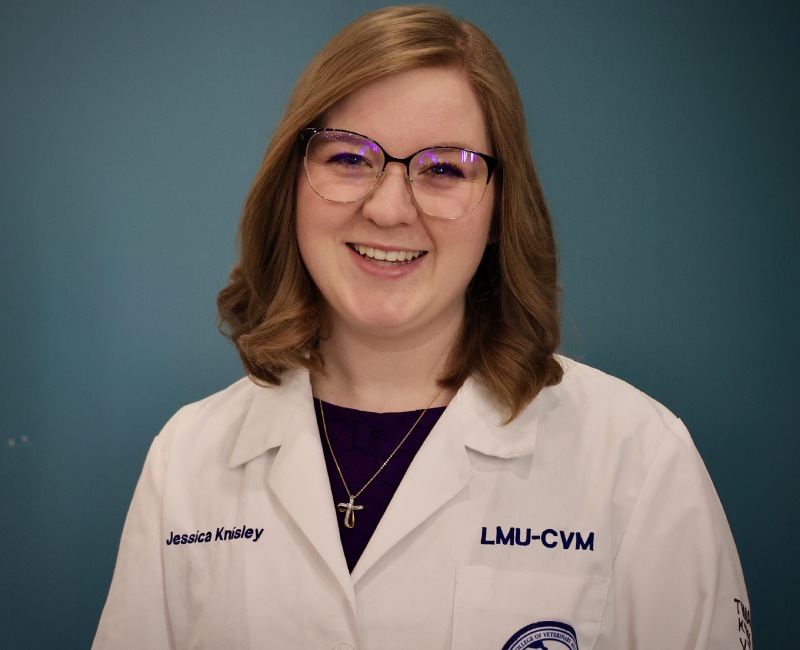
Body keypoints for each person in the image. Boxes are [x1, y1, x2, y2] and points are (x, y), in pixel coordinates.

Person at [93, 6, 751, 649]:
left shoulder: (638, 461)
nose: (387, 208)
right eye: (349, 158)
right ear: (292, 185)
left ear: (499, 210)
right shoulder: (187, 459)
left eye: (443, 169)